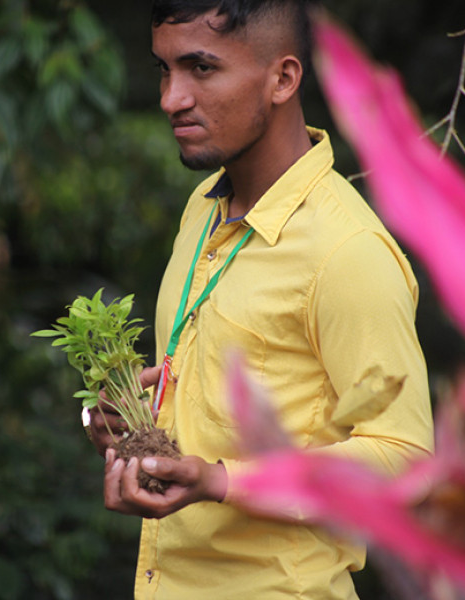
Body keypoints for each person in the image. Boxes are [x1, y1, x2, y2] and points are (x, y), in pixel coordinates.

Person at [87, 1, 434, 598]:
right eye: (165, 70)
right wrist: (121, 421)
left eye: (201, 68)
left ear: (283, 79)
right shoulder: (202, 208)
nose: (171, 99)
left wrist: (223, 482)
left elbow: (407, 462)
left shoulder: (347, 250)